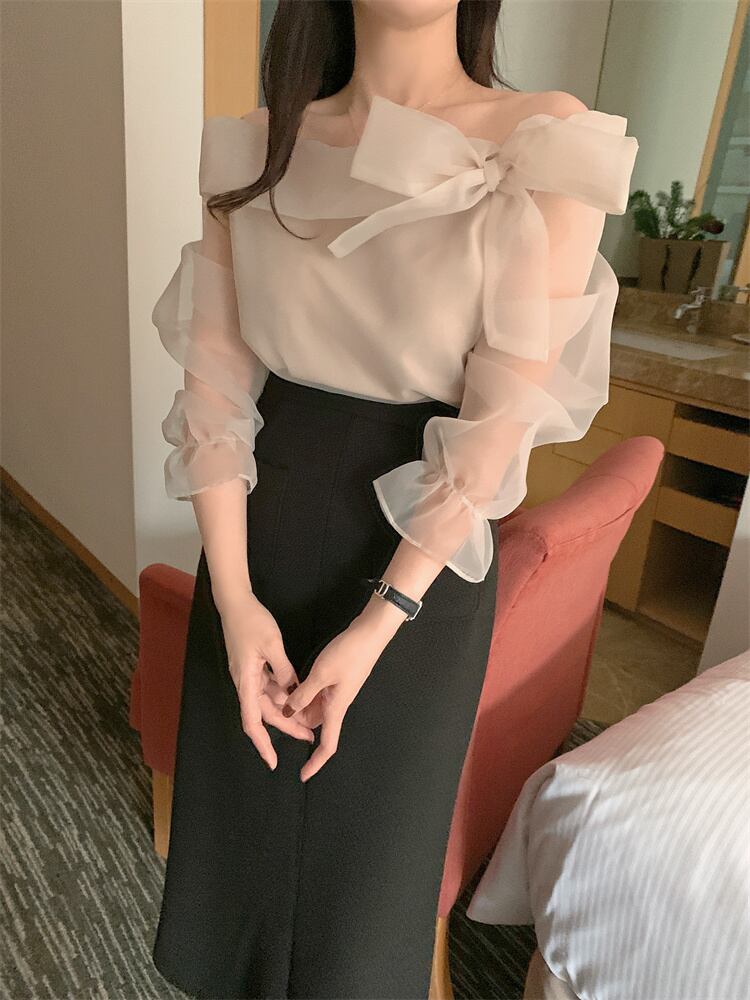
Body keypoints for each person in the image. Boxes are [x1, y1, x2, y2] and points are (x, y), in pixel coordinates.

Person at [149, 2, 639, 997]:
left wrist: (383, 619)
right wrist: (234, 601)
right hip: (258, 541)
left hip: (425, 559)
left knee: (363, 906)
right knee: (234, 879)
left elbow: (499, 425)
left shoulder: (543, 140)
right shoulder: (258, 146)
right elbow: (214, 394)